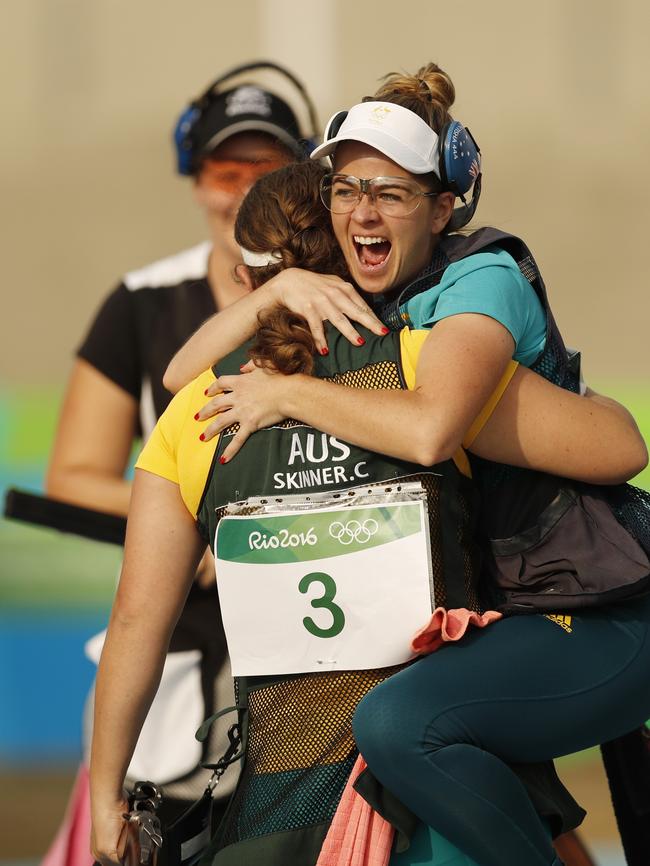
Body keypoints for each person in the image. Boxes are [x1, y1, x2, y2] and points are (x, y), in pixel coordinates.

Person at [90, 160, 646, 866]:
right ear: (348, 256)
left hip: (282, 812)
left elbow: (137, 619)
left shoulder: (196, 414)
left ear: (243, 282)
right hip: (442, 801)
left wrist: (108, 792)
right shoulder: (426, 370)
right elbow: (619, 446)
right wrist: (568, 385)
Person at [43, 62, 318, 866]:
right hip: (190, 650)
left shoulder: (343, 293)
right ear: (194, 179)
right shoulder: (141, 301)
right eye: (223, 171)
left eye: (263, 171)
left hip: (318, 654)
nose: (240, 191)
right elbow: (76, 474)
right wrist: (192, 529)